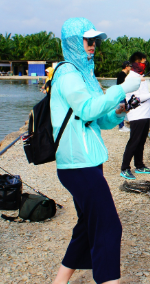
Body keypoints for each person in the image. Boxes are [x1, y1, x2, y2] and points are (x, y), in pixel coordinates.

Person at [50, 17, 141, 284]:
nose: (93, 46)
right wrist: (122, 88)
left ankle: (59, 282)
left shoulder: (85, 75)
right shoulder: (67, 74)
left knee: (87, 228)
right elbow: (86, 109)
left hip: (89, 161)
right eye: (88, 41)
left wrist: (119, 110)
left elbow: (100, 119)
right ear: (73, 43)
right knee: (109, 227)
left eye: (95, 41)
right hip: (76, 164)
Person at [120, 51, 150, 180]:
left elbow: (145, 94)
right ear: (136, 63)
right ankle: (125, 168)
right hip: (137, 115)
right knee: (134, 142)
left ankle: (139, 165)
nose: (145, 65)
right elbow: (136, 98)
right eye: (143, 63)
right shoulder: (131, 79)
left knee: (141, 141)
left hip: (145, 115)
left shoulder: (141, 77)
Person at [116, 61, 131, 131]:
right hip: (121, 95)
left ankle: (122, 126)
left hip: (122, 95)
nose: (130, 68)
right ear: (126, 67)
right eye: (130, 66)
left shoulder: (123, 74)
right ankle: (121, 127)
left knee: (123, 110)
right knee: (122, 110)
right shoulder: (122, 75)